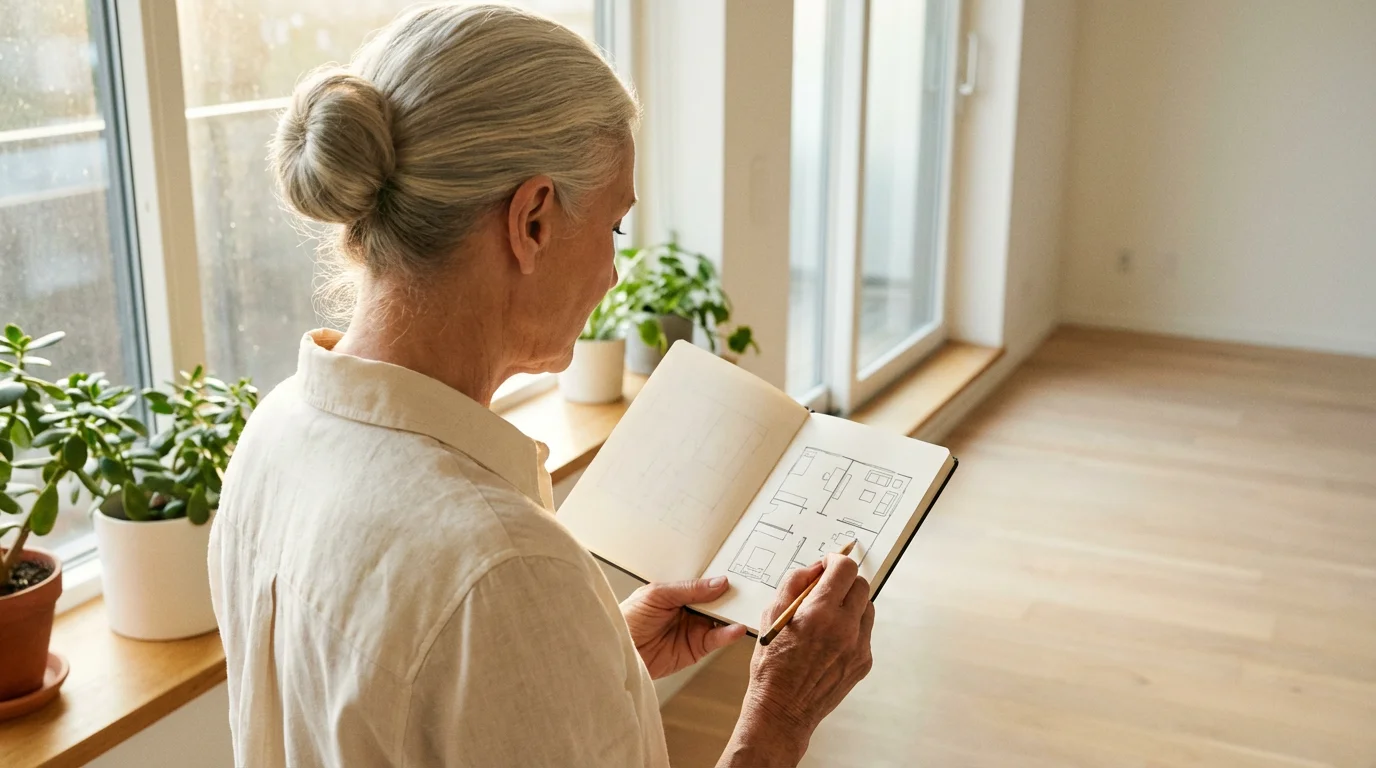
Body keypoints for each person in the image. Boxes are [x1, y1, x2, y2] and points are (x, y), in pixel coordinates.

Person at [209, 4, 873, 766]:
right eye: (615, 227)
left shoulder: (275, 434)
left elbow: (394, 711)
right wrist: (783, 710)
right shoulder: (502, 571)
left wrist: (596, 658)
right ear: (532, 220)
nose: (614, 272)